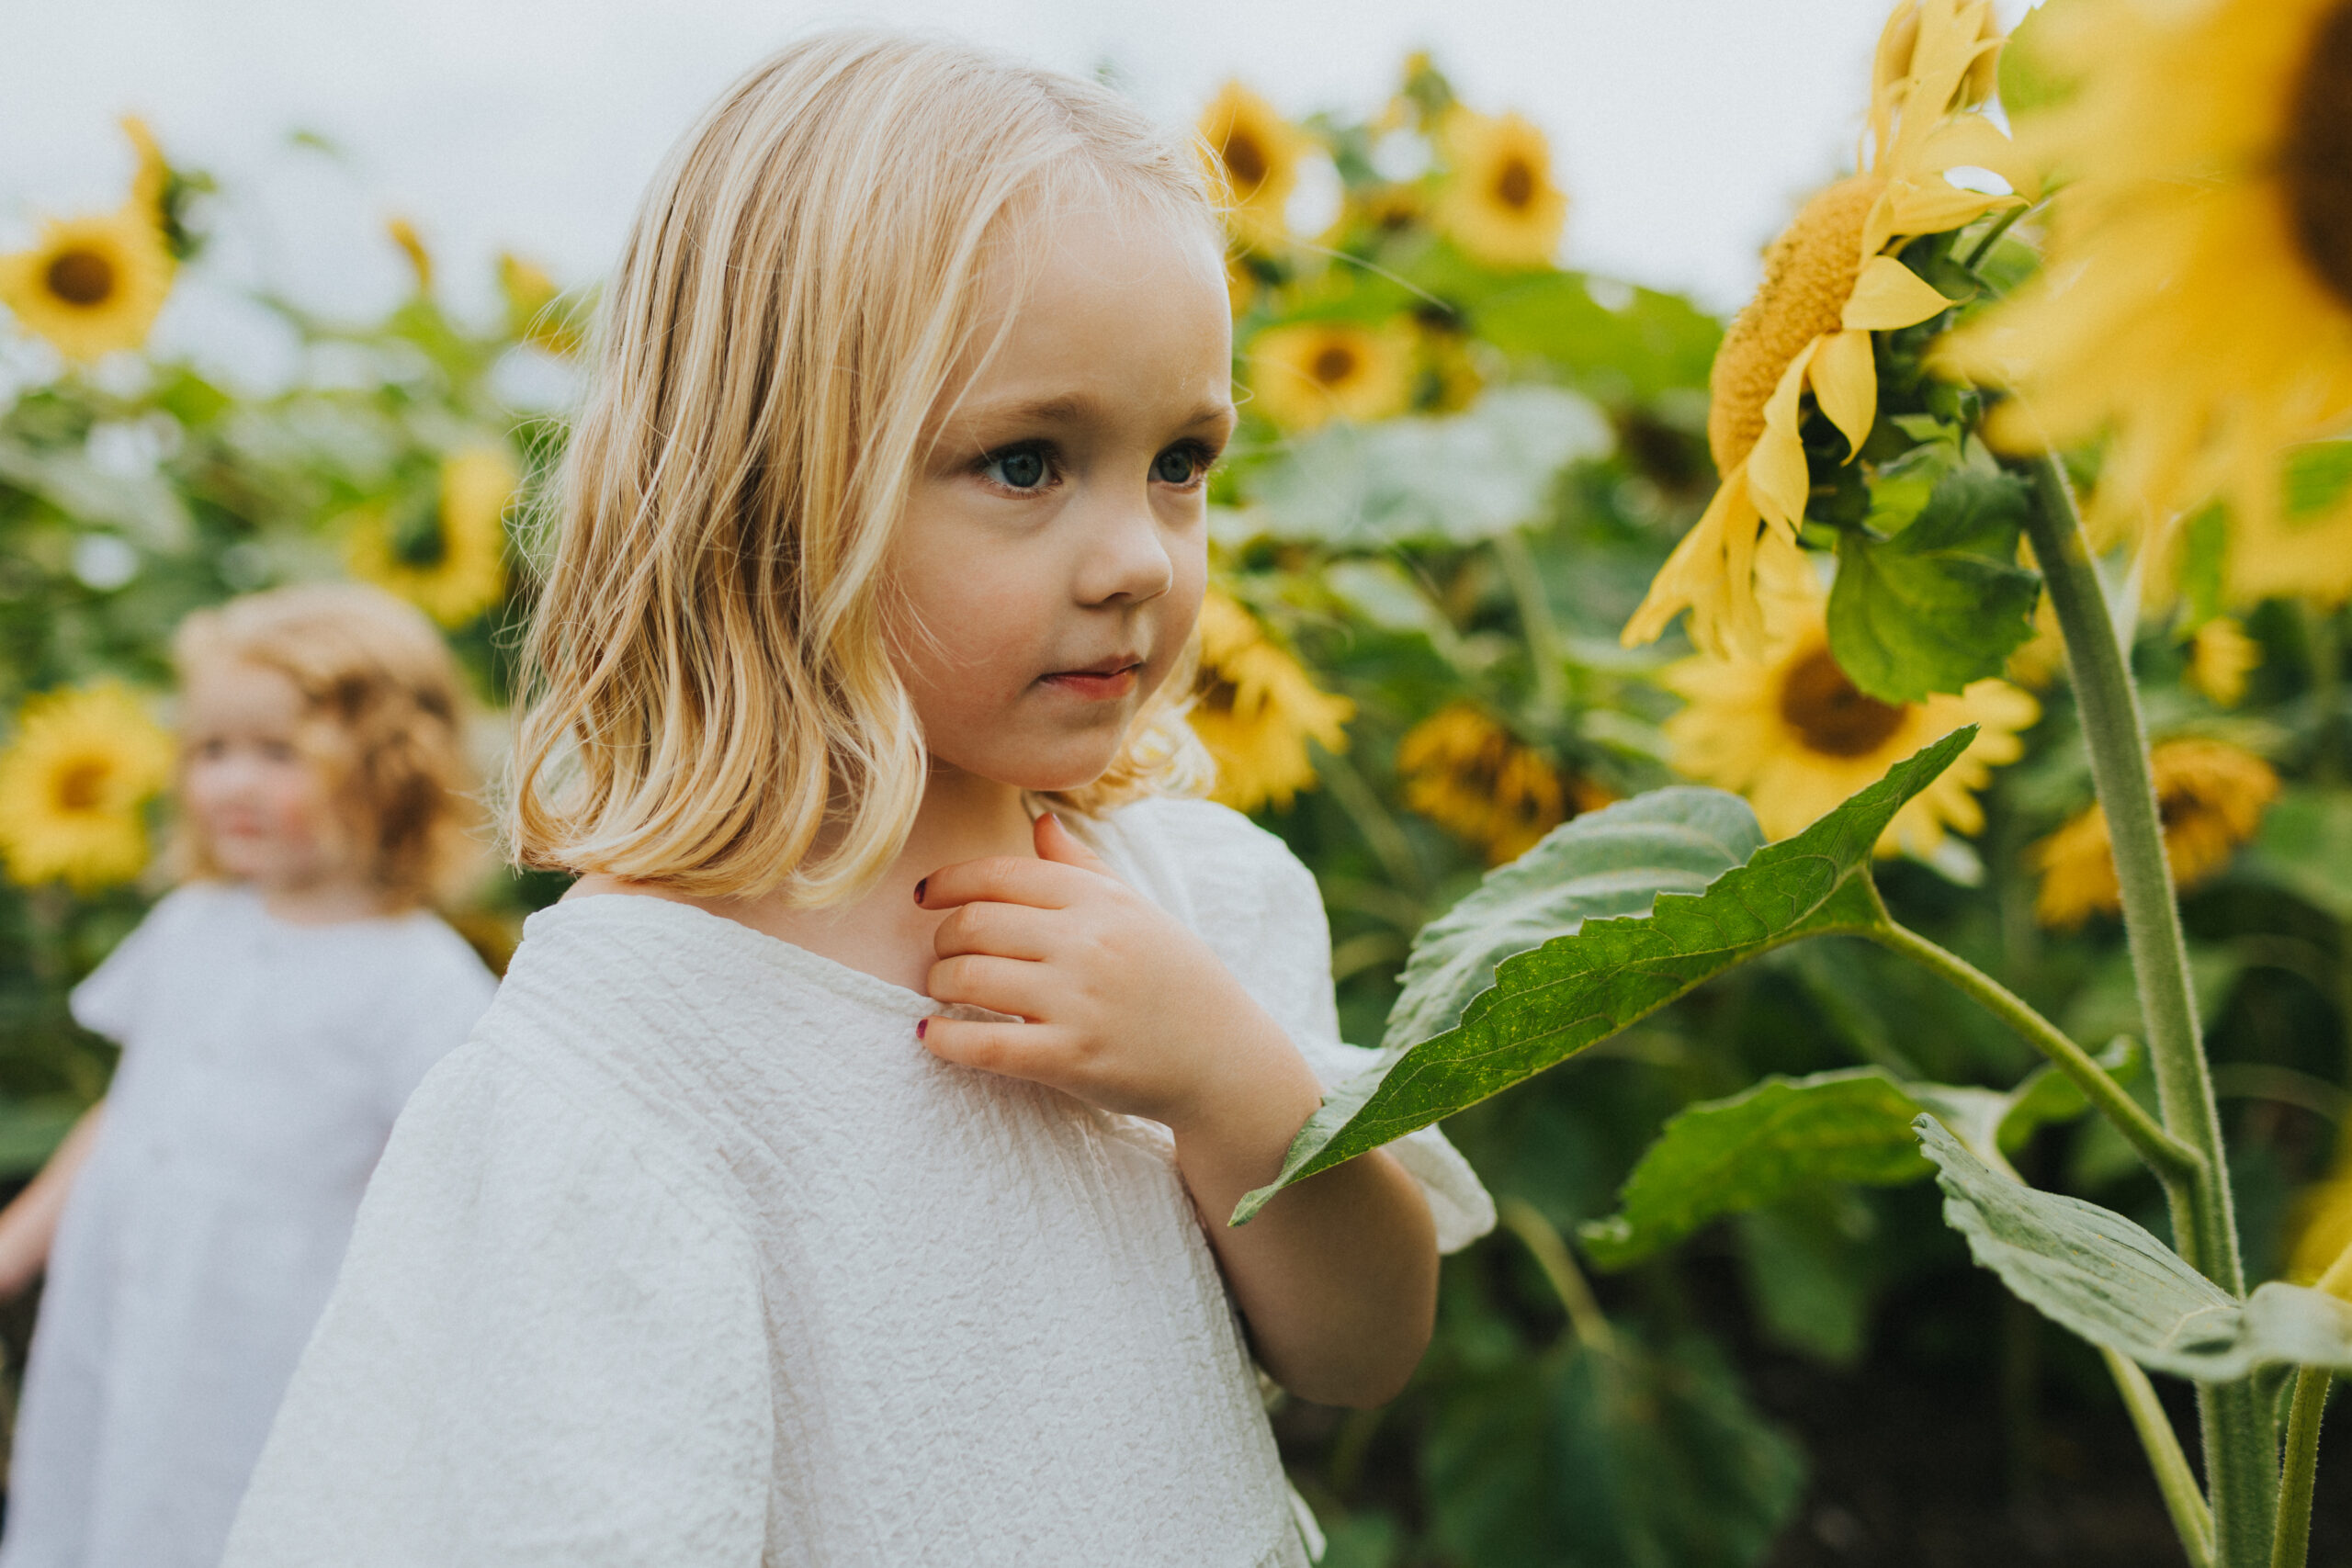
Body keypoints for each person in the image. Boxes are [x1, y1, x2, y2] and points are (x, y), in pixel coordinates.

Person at [224, 31, 1493, 1567]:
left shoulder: (1195, 900)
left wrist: (1228, 1083)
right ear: (767, 492)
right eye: (1027, 461)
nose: (1142, 557)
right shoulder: (631, 1053)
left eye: (1181, 461)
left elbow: (1364, 1349)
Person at [0, 584, 498, 1568]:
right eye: (212, 751)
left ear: (390, 771)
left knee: (223, 1518)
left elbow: (454, 1186)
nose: (232, 784)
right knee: (95, 1493)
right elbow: (132, 1104)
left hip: (266, 1336)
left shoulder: (417, 982)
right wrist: (18, 1242)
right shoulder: (191, 927)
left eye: (278, 754)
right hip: (125, 1300)